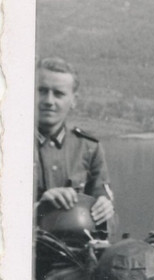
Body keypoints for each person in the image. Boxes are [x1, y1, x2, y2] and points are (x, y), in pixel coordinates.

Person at [34, 57, 116, 232]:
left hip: (75, 253)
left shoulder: (89, 148)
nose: (49, 101)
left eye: (58, 94)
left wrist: (106, 211)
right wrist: (37, 209)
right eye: (41, 91)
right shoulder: (5, 144)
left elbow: (110, 224)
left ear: (73, 100)